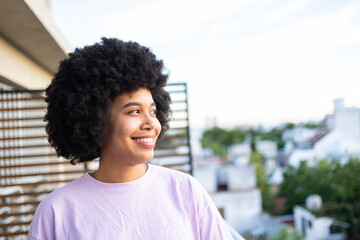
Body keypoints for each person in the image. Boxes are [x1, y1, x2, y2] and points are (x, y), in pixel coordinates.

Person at [28, 38, 236, 240]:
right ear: (95, 119)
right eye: (134, 111)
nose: (151, 124)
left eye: (153, 112)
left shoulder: (185, 191)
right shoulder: (56, 211)